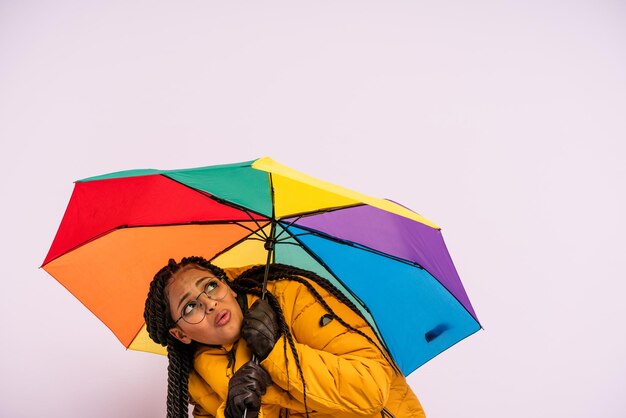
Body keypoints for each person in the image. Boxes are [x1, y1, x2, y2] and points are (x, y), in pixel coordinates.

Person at [144, 256, 426, 418]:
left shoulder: (292, 298)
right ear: (180, 334)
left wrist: (276, 352)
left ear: (228, 287)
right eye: (190, 306)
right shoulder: (194, 378)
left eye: (210, 286)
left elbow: (371, 389)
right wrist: (236, 414)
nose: (209, 304)